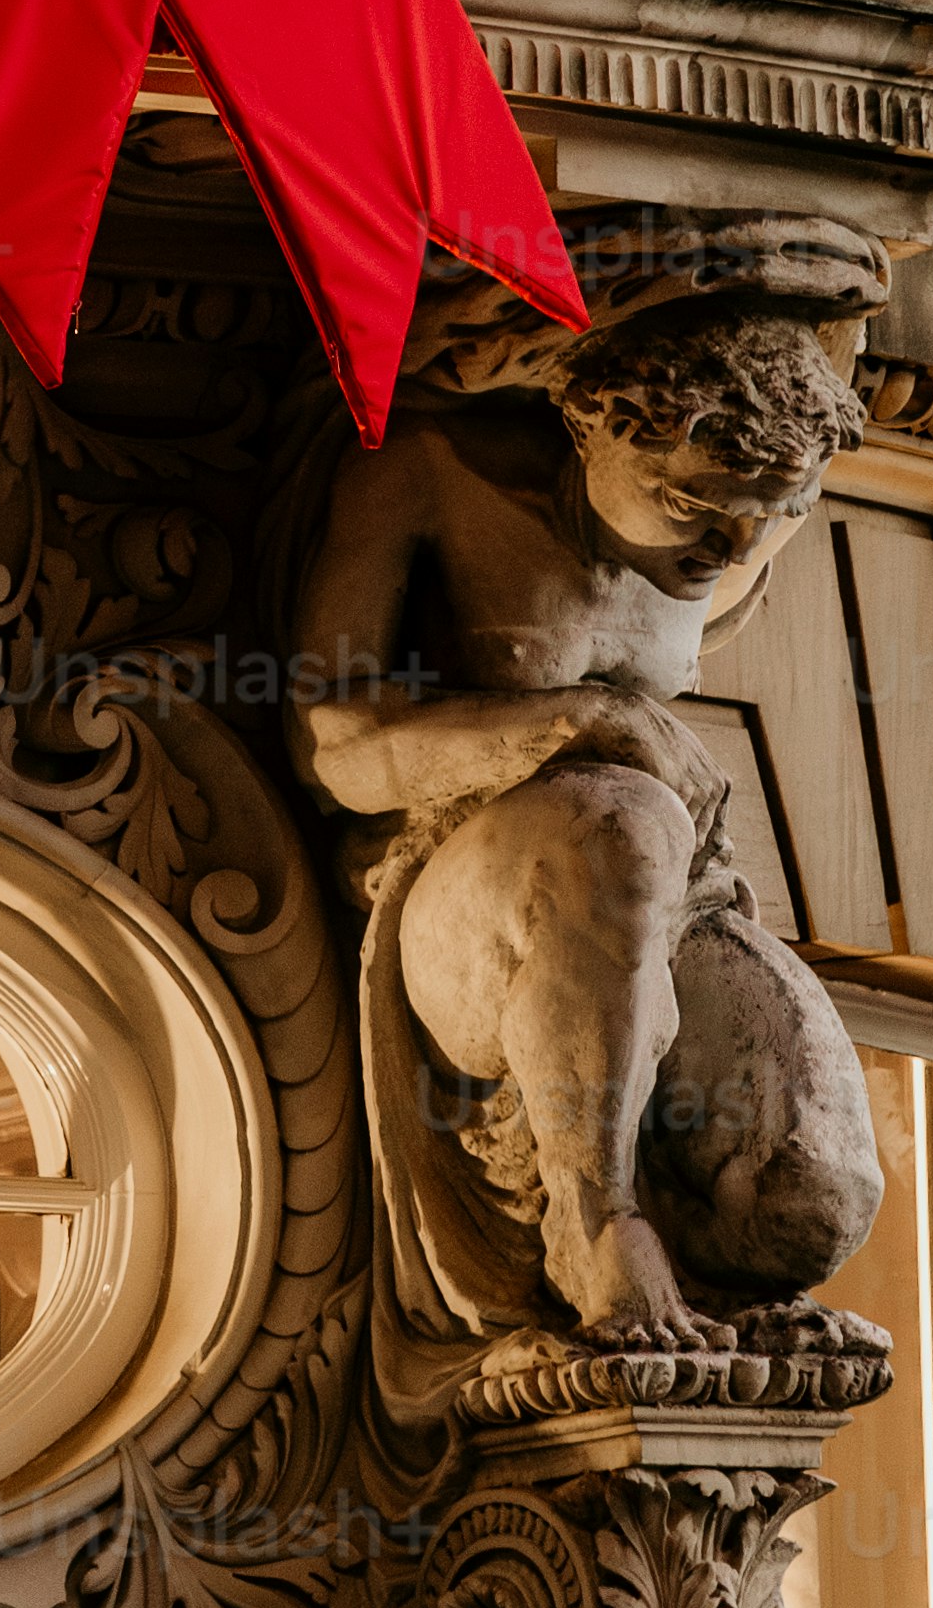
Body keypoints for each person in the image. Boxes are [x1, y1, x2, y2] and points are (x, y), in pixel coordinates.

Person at [296, 236, 887, 1366]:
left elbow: (854, 309)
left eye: (775, 511)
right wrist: (577, 722)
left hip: (670, 892)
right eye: (694, 506)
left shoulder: (751, 513)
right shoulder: (431, 473)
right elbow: (332, 745)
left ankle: (700, 1294)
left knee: (810, 1190)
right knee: (623, 817)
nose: (737, 547)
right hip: (475, 883)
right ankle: (592, 1217)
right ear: (592, 426)